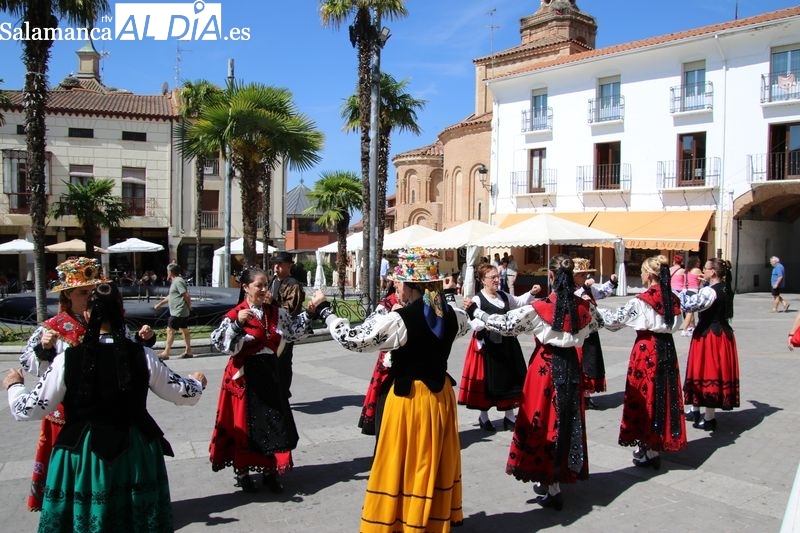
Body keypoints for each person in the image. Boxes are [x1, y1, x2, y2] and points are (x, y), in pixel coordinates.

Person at [4, 282, 206, 532]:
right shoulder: (142, 355)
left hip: (84, 452)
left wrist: (14, 386)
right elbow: (181, 393)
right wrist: (197, 382)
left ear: (88, 314)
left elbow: (29, 408)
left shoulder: (67, 360)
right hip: (135, 451)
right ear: (121, 312)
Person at [311, 247, 472, 532]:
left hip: (410, 399)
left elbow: (354, 339)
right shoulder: (453, 315)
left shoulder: (400, 321)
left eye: (399, 281)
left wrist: (325, 311)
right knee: (430, 460)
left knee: (403, 462)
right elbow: (463, 326)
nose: (395, 285)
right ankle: (429, 518)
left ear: (410, 286)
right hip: (440, 397)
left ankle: (404, 521)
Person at [18, 257, 156, 512]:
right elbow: (27, 362)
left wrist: (142, 340)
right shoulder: (53, 328)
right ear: (68, 295)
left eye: (93, 292)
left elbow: (127, 355)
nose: (90, 297)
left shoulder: (112, 325)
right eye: (83, 293)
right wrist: (44, 349)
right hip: (67, 414)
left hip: (106, 411)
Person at [465, 254, 598, 511]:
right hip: (571, 366)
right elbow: (602, 323)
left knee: (542, 421)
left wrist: (475, 310)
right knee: (566, 419)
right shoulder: (584, 306)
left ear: (551, 277)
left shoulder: (541, 308)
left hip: (545, 368)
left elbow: (505, 324)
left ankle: (550, 482)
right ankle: (561, 472)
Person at [209, 267, 318, 494]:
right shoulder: (235, 314)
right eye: (258, 285)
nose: (263, 289)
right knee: (245, 425)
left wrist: (310, 311)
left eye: (265, 285)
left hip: (269, 374)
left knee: (271, 423)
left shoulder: (275, 312)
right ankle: (243, 472)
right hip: (244, 377)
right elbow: (220, 344)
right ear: (246, 287)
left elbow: (294, 331)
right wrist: (238, 325)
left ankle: (270, 472)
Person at [596, 255, 687, 470]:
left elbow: (614, 321)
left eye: (644, 272)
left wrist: (593, 309)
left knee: (646, 396)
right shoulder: (672, 297)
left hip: (647, 350)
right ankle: (655, 443)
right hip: (667, 348)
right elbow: (679, 322)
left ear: (648, 274)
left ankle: (649, 446)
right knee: (664, 394)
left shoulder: (642, 300)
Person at [458, 262, 535, 433]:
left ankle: (509, 416)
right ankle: (483, 417)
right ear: (482, 280)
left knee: (511, 378)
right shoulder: (477, 299)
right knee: (489, 382)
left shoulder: (503, 296)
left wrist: (531, 293)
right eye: (492, 277)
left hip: (507, 344)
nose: (496, 280)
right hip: (489, 346)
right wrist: (485, 324)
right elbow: (473, 322)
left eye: (497, 277)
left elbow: (520, 302)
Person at [680, 258, 740, 431]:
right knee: (701, 371)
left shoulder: (711, 291)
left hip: (710, 336)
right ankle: (696, 410)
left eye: (705, 269)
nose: (702, 271)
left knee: (708, 372)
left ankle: (709, 417)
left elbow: (690, 305)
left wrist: (681, 291)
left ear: (713, 272)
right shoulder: (725, 288)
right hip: (720, 334)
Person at [358, 277, 405, 437]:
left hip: (410, 358)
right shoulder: (387, 303)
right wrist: (392, 315)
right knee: (384, 392)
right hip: (389, 355)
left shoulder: (417, 301)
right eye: (403, 282)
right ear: (396, 284)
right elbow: (373, 326)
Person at [572, 258, 618, 409]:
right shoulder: (571, 289)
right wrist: (583, 288)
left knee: (590, 363)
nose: (585, 277)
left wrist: (611, 282)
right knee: (578, 363)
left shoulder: (588, 289)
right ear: (573, 276)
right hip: (577, 332)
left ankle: (586, 395)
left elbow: (602, 292)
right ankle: (576, 395)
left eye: (586, 275)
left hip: (590, 331)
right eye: (582, 275)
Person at [269, 251, 304, 396]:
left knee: (283, 362)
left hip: (286, 331)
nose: (276, 267)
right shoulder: (272, 281)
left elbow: (290, 309)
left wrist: (272, 303)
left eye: (280, 264)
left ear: (288, 266)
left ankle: (283, 391)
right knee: (272, 362)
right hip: (271, 328)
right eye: (275, 264)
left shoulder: (293, 285)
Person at [153, 263, 192, 359]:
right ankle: (188, 351)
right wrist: (160, 304)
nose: (167, 273)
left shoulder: (178, 281)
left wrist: (189, 306)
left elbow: (186, 295)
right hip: (181, 310)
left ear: (170, 272)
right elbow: (172, 296)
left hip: (178, 311)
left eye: (167, 271)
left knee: (170, 330)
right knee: (184, 330)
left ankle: (166, 353)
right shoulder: (176, 281)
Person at [681, 255, 704, 336]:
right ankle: (685, 329)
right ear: (695, 262)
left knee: (690, 311)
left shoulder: (686, 271)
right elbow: (704, 278)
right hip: (693, 291)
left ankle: (692, 327)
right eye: (698, 261)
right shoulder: (697, 270)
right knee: (690, 312)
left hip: (685, 291)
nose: (699, 263)